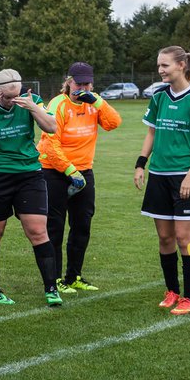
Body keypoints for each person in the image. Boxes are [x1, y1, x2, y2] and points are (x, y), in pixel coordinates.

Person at [0, 68, 62, 307]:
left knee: (38, 231)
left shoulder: (32, 99)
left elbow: (52, 128)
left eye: (14, 95)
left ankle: (51, 288)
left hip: (29, 174)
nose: (10, 101)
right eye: (6, 97)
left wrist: (33, 108)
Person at [134, 46, 190, 315]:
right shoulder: (158, 97)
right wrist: (141, 164)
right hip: (159, 175)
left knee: (184, 237)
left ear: (181, 65)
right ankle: (172, 291)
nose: (160, 70)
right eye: (159, 66)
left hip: (186, 176)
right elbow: (151, 133)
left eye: (165, 65)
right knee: (165, 238)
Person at [39, 61, 121, 294]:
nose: (82, 87)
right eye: (78, 83)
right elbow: (51, 145)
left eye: (87, 83)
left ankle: (73, 276)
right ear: (69, 82)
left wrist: (98, 101)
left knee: (82, 226)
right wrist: (69, 171)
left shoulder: (93, 102)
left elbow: (113, 123)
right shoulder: (58, 104)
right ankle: (54, 281)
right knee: (54, 227)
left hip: (84, 172)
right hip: (55, 172)